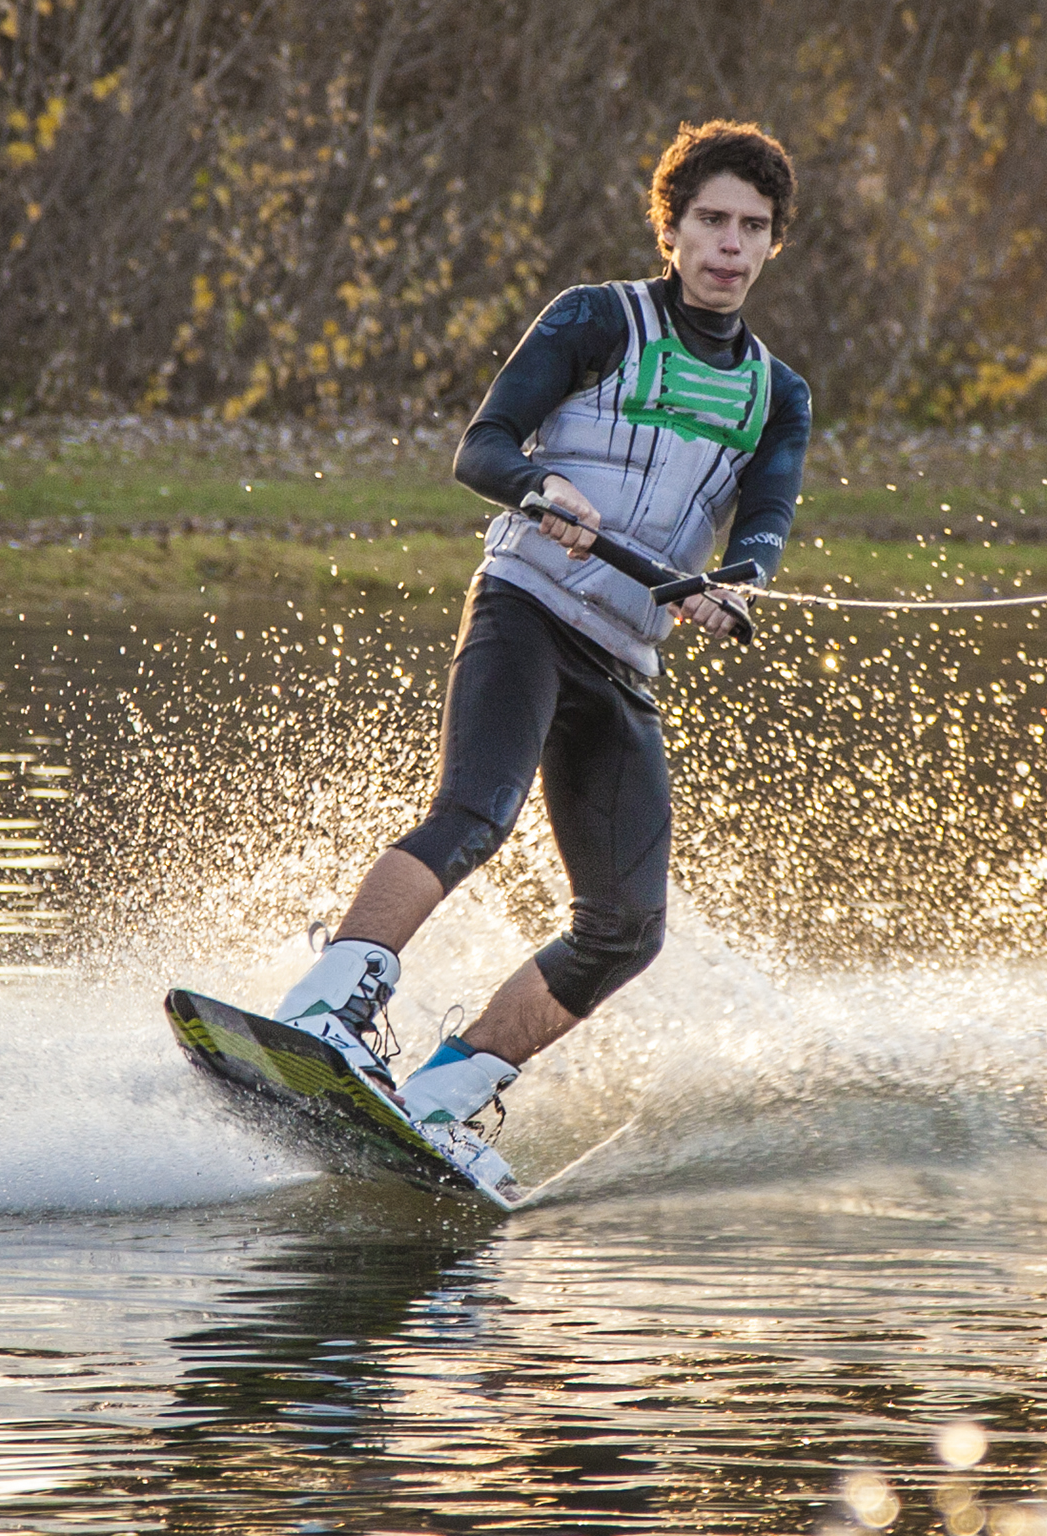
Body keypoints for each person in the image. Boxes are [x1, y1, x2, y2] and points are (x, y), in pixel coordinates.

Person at [270, 120, 811, 1136]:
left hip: (622, 661)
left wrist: (731, 585)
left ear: (774, 243)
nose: (730, 245)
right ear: (673, 230)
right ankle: (326, 1010)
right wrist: (543, 484)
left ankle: (446, 1089)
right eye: (711, 221)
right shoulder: (595, 321)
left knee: (626, 930)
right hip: (526, 606)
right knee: (477, 811)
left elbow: (767, 523)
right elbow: (481, 450)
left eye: (753, 226)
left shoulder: (778, 395)